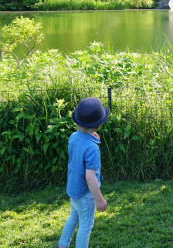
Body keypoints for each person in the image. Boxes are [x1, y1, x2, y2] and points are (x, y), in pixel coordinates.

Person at [58, 97, 110, 248]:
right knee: (86, 225)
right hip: (85, 194)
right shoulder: (92, 148)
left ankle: (62, 245)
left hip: (73, 189)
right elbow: (90, 177)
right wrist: (99, 199)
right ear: (99, 124)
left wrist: (90, 136)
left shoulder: (73, 137)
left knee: (73, 218)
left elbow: (81, 145)